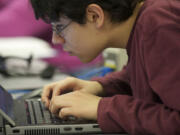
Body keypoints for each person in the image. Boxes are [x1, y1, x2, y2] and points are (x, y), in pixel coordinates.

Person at [30, 0, 180, 134]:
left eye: (59, 27)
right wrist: (99, 87)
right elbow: (145, 77)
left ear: (95, 16)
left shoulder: (159, 24)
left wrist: (102, 108)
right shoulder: (145, 24)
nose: (55, 40)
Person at [0, 0, 103, 74]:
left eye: (58, 27)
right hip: (64, 62)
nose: (55, 39)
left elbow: (8, 26)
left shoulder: (30, 4)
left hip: (76, 68)